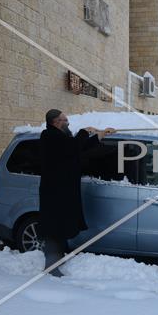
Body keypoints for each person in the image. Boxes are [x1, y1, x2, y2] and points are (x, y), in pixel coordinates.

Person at [39, 109, 115, 277]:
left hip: (62, 192)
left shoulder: (62, 138)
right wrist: (84, 131)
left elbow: (78, 148)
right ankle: (51, 266)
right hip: (54, 194)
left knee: (60, 228)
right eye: (65, 120)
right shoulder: (50, 137)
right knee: (54, 230)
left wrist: (100, 135)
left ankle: (56, 260)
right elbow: (73, 146)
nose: (68, 122)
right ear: (55, 122)